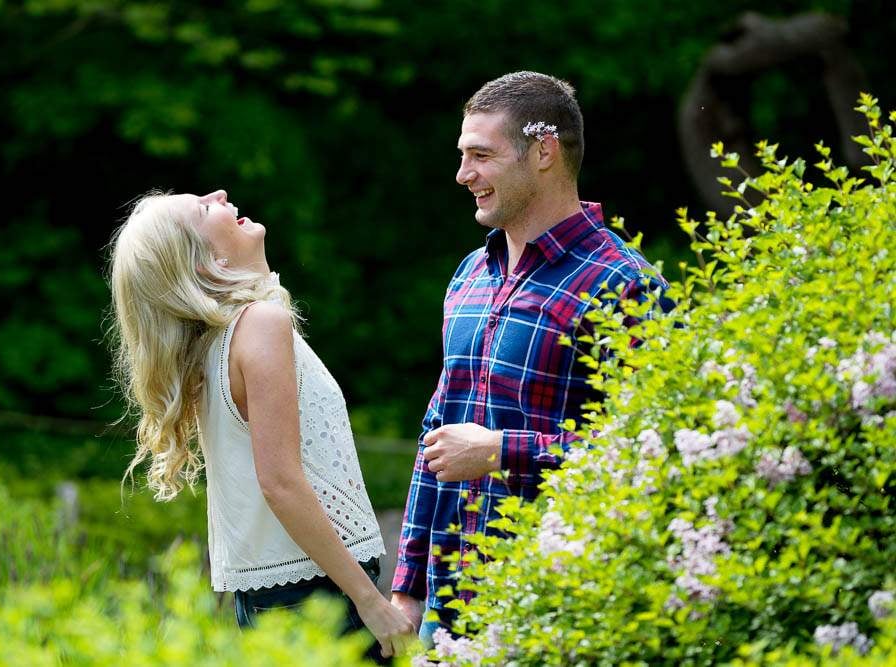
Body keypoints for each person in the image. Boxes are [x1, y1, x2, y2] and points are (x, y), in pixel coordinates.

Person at [390, 71, 668, 645]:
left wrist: (501, 452)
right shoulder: (469, 275)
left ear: (543, 152)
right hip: (450, 604)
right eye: (463, 155)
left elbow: (653, 449)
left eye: (481, 155)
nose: (463, 175)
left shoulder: (626, 285)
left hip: (561, 602)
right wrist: (408, 586)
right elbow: (435, 435)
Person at [107, 189, 416, 660]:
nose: (221, 194)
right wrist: (369, 600)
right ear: (206, 262)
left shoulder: (217, 342)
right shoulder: (259, 325)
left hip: (277, 596)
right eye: (204, 208)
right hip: (319, 590)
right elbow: (281, 484)